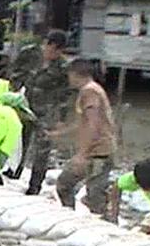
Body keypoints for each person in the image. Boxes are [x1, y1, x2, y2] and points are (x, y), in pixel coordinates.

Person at [7, 29, 74, 192]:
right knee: (19, 142)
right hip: (25, 105)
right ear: (46, 44)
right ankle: (13, 173)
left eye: (59, 51)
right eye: (52, 49)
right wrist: (13, 95)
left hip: (47, 111)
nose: (54, 54)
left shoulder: (63, 67)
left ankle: (35, 185)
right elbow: (15, 74)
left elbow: (66, 94)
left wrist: (61, 119)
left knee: (42, 150)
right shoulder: (29, 54)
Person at [48, 58, 116, 218]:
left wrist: (82, 155)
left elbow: (93, 123)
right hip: (96, 151)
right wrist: (59, 133)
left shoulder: (90, 91)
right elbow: (82, 122)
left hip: (99, 152)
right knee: (65, 184)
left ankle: (105, 227)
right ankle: (71, 218)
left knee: (94, 195)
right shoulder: (90, 91)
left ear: (76, 74)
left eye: (69, 75)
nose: (69, 79)